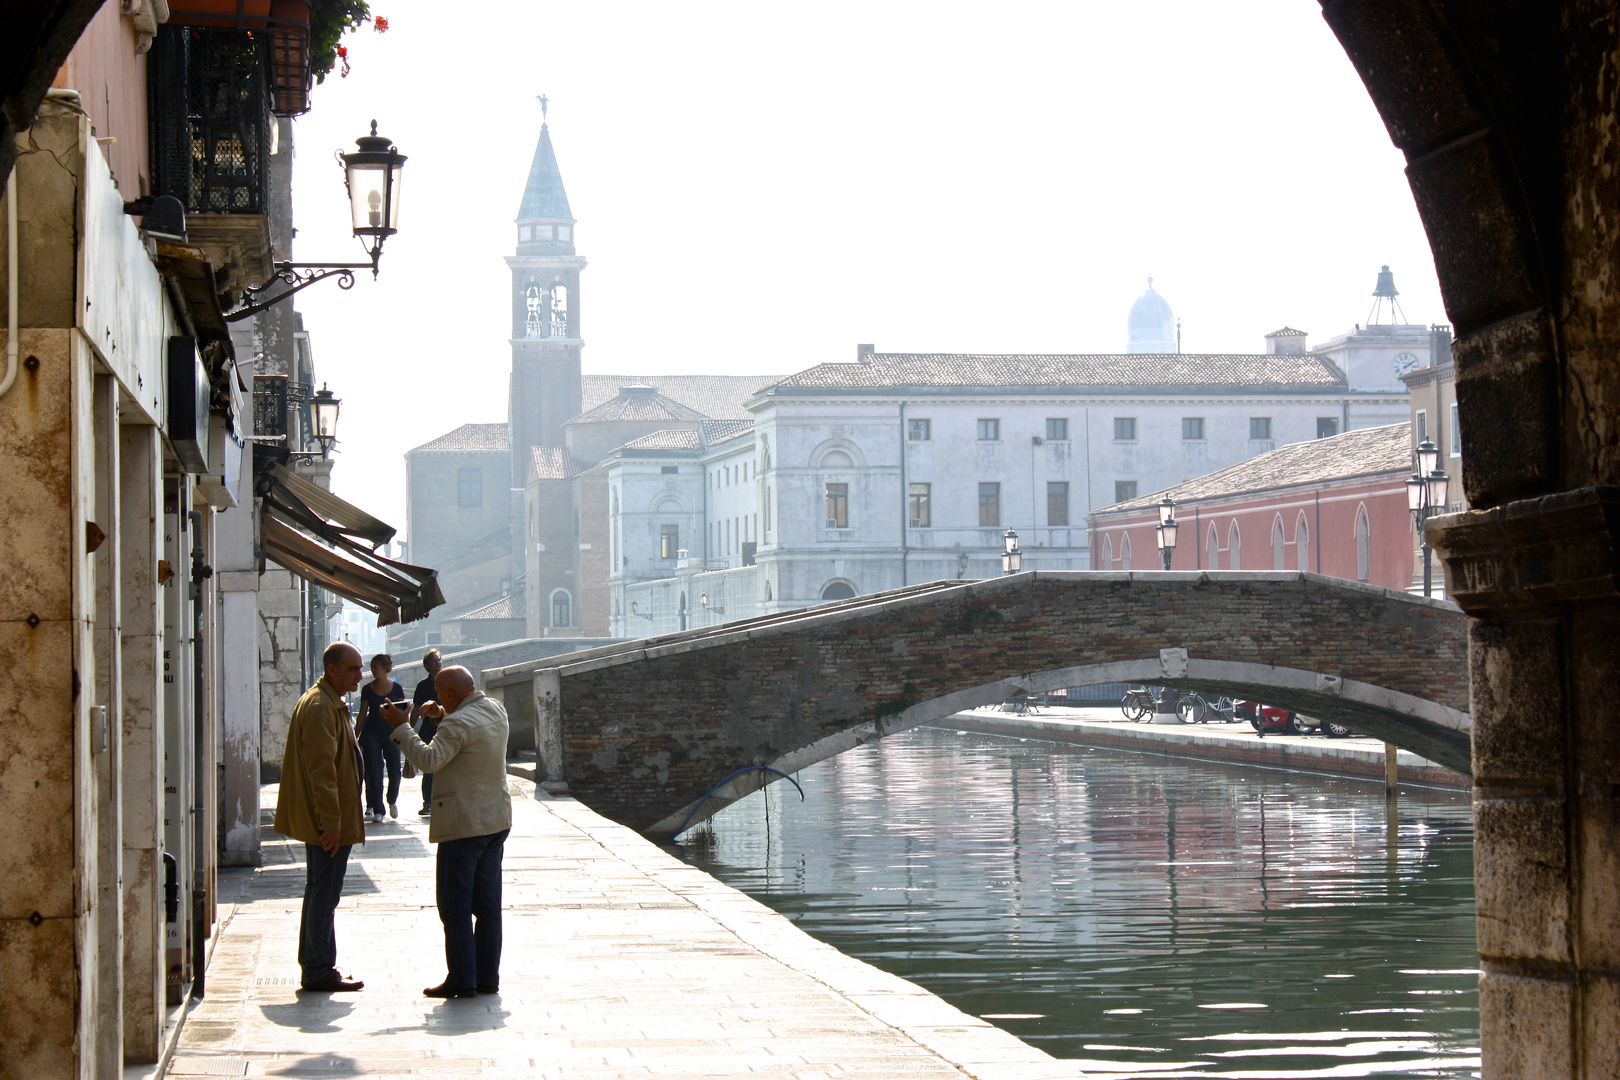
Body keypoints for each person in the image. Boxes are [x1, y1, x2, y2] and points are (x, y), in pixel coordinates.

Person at [381, 665, 511, 998]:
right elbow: (467, 739)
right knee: (487, 906)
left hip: (463, 824)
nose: (438, 699)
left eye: (441, 695)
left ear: (451, 695)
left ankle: (462, 978)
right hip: (495, 819)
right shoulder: (495, 709)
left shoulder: (457, 723)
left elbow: (430, 760)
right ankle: (486, 978)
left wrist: (403, 728)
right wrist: (442, 714)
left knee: (454, 904)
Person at [273, 641, 367, 992]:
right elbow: (321, 771)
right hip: (330, 824)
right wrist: (331, 824)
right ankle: (317, 969)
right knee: (324, 893)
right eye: (354, 669)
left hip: (334, 820)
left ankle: (317, 964)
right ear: (333, 670)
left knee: (321, 892)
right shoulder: (320, 707)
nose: (360, 675)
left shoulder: (328, 702)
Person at [357, 653, 408, 821]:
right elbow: (362, 715)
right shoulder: (367, 689)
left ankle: (392, 799)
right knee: (374, 770)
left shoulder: (397, 689)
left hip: (392, 733)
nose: (373, 670)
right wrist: (356, 738)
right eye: (371, 667)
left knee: (394, 770)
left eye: (376, 667)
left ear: (386, 669)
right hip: (372, 732)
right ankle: (378, 808)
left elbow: (402, 713)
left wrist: (406, 733)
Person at [411, 649, 444, 816]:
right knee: (430, 767)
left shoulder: (448, 682)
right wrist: (409, 730)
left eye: (439, 660)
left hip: (447, 728)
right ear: (427, 666)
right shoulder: (423, 686)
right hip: (429, 729)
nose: (438, 663)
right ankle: (428, 801)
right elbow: (416, 710)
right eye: (434, 661)